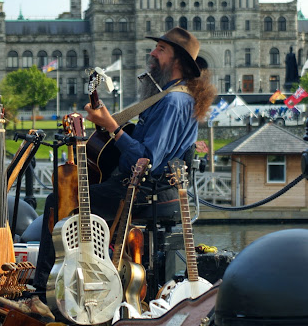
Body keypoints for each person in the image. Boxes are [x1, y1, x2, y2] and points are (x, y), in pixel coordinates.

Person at [33, 27, 216, 291]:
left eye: (161, 49)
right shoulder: (168, 95)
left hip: (147, 189)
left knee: (59, 200)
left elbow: (146, 160)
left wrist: (112, 127)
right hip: (138, 184)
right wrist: (109, 125)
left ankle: (45, 290)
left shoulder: (174, 101)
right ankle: (84, 279)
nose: (152, 53)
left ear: (178, 62)